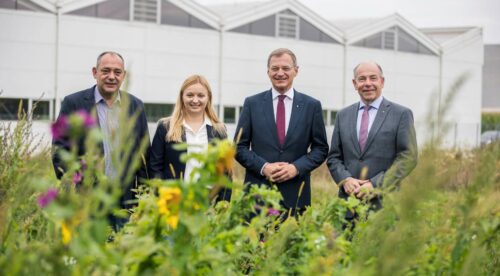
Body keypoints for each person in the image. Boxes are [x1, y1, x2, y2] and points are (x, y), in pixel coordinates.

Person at [52, 51, 150, 228]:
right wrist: (75, 186)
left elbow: (144, 155)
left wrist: (143, 197)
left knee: (121, 252)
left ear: (123, 75)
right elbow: (60, 150)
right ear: (94, 72)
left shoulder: (136, 105)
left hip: (126, 201)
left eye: (117, 72)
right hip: (87, 200)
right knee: (89, 253)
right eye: (105, 71)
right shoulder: (74, 103)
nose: (111, 76)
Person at [235, 48, 329, 217]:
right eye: (275, 68)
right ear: (268, 72)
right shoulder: (252, 104)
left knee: (291, 244)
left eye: (285, 68)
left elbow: (320, 149)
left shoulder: (311, 106)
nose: (280, 73)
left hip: (296, 195)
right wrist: (264, 167)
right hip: (257, 195)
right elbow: (238, 147)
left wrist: (296, 168)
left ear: (296, 71)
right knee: (256, 244)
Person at [327, 61, 418, 223]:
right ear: (355, 84)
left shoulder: (401, 114)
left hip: (384, 205)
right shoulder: (343, 115)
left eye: (373, 78)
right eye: (362, 79)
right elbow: (334, 157)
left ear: (382, 82)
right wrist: (345, 180)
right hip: (348, 205)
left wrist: (375, 184)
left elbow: (408, 157)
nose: (368, 83)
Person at [149, 75, 231, 202]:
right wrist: (163, 198)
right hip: (174, 202)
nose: (195, 100)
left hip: (207, 203)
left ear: (208, 97)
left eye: (201, 95)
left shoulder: (219, 130)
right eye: (190, 95)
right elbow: (155, 168)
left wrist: (221, 207)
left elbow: (226, 173)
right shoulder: (165, 127)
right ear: (182, 97)